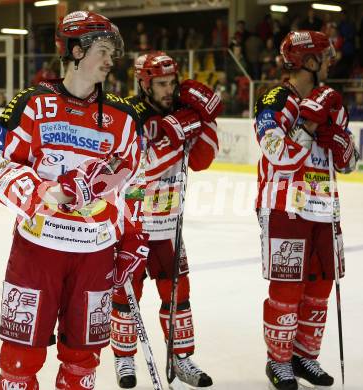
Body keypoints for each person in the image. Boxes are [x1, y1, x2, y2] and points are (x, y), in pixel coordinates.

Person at [0, 10, 145, 390]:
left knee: (83, 360)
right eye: (102, 50)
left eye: (111, 52)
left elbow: (130, 186)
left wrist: (130, 234)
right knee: (19, 359)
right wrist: (42, 191)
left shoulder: (123, 118)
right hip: (37, 251)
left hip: (94, 254)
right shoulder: (32, 104)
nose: (110, 61)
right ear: (75, 51)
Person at [108, 51, 222, 388]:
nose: (169, 89)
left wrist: (207, 119)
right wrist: (178, 129)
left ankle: (181, 357)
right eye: (161, 83)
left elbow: (201, 161)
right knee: (126, 295)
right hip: (133, 223)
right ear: (144, 83)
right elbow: (142, 165)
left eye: (172, 82)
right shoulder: (129, 113)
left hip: (170, 224)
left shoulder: (179, 112)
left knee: (177, 293)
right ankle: (124, 359)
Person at [254, 31, 358, 390]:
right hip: (285, 207)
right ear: (308, 61)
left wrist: (342, 144)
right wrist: (310, 123)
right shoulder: (274, 98)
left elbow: (349, 164)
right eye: (325, 56)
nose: (331, 61)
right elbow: (277, 154)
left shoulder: (333, 101)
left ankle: (304, 356)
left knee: (321, 287)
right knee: (287, 289)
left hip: (325, 208)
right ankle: (278, 362)